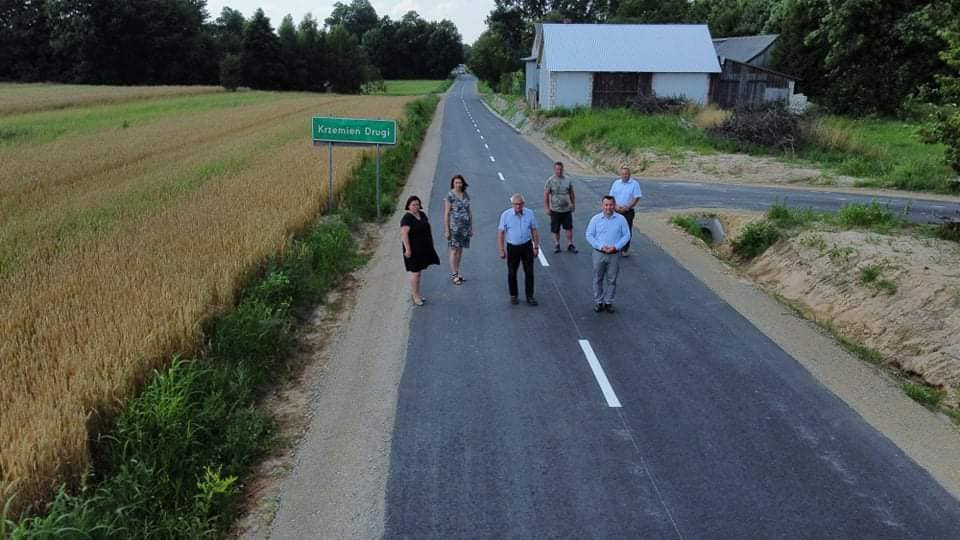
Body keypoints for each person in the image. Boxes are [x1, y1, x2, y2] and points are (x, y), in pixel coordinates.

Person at [585, 196, 631, 313]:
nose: (608, 207)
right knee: (598, 278)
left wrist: (616, 247)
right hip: (599, 254)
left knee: (612, 279)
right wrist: (600, 246)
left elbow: (627, 235)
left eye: (611, 205)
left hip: (614, 254)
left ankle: (608, 302)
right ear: (602, 205)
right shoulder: (595, 219)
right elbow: (589, 235)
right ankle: (599, 302)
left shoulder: (621, 219)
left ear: (614, 205)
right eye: (606, 205)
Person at [497, 193, 540, 306]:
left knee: (529, 272)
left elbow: (534, 230)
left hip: (527, 246)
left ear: (523, 204)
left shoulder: (529, 213)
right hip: (512, 247)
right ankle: (514, 295)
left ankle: (529, 296)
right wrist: (501, 249)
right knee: (512, 272)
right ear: (512, 204)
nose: (518, 207)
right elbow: (501, 233)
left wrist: (536, 246)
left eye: (520, 204)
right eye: (516, 204)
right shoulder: (506, 215)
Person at [400, 195, 440, 305]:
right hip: (413, 250)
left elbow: (428, 226)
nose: (416, 206)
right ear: (408, 206)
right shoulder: (407, 218)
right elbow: (404, 234)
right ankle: (415, 296)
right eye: (413, 204)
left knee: (419, 273)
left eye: (417, 204)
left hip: (423, 248)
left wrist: (431, 242)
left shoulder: (421, 214)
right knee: (415, 273)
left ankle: (417, 294)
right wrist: (408, 249)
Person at [443, 174, 473, 285]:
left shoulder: (465, 194)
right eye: (456, 182)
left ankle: (457, 271)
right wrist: (447, 230)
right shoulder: (449, 196)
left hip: (464, 228)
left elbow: (469, 211)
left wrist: (470, 227)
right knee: (454, 250)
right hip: (454, 227)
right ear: (453, 183)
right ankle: (454, 274)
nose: (458, 184)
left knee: (460, 251)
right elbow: (446, 214)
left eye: (460, 182)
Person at [544, 161, 578, 254]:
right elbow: (546, 195)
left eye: (560, 169)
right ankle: (557, 244)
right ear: (554, 170)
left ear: (563, 169)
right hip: (555, 209)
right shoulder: (550, 181)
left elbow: (572, 193)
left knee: (568, 228)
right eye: (557, 169)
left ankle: (570, 244)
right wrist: (547, 208)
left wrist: (573, 204)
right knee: (555, 228)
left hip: (566, 209)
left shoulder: (568, 180)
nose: (559, 171)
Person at [608, 165, 642, 256]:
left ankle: (625, 249)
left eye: (626, 174)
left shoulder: (634, 184)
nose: (624, 175)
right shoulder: (616, 183)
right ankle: (614, 247)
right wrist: (615, 206)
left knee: (626, 231)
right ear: (620, 174)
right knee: (614, 229)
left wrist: (628, 207)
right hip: (616, 209)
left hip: (628, 211)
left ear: (629, 174)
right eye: (623, 174)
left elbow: (637, 197)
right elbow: (611, 196)